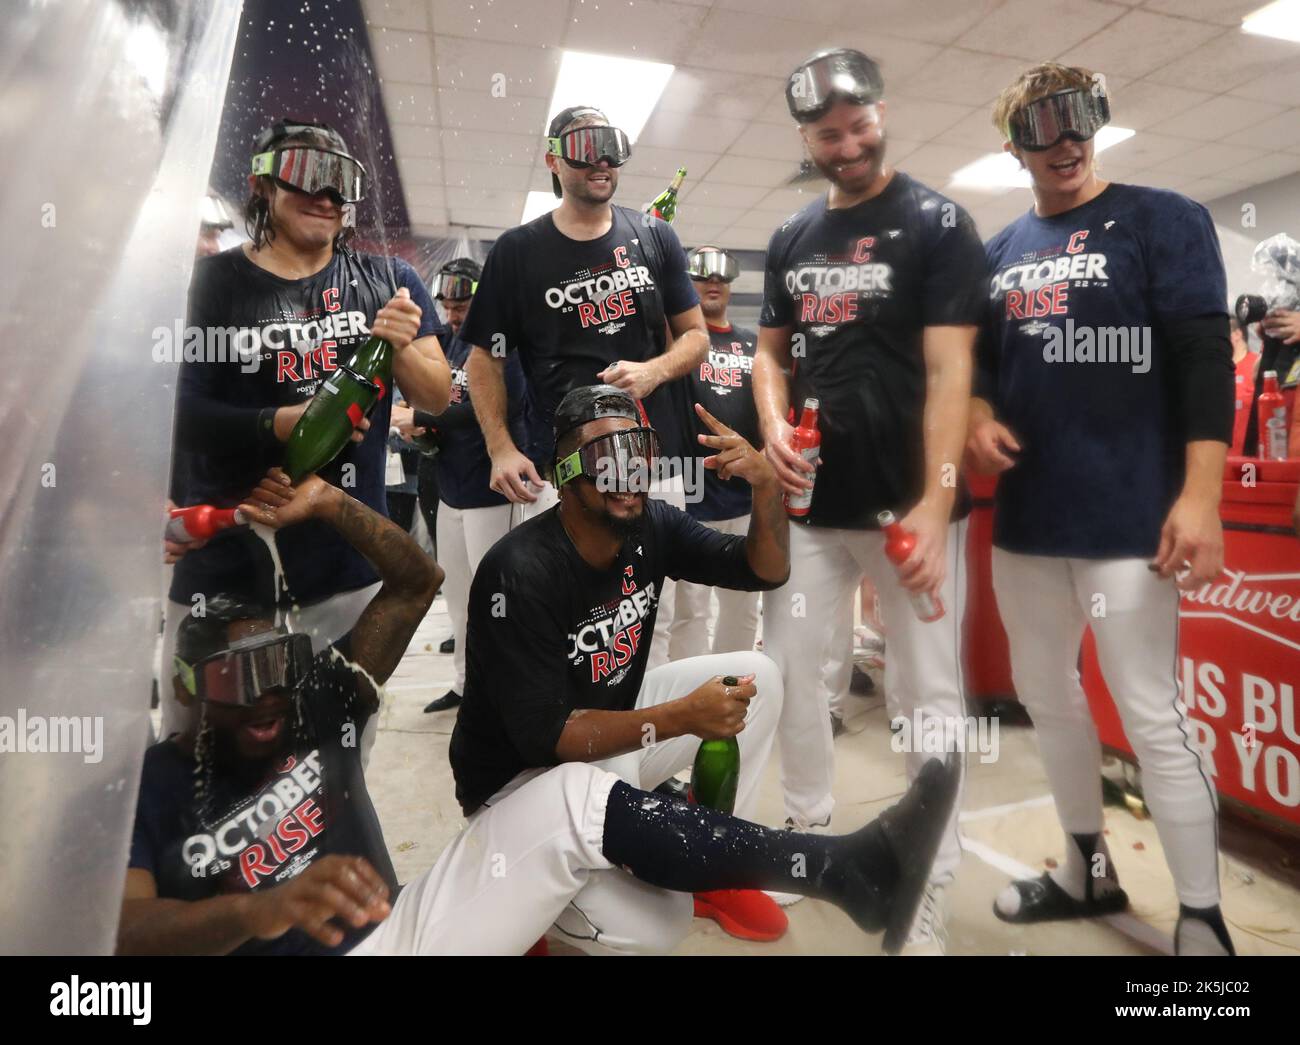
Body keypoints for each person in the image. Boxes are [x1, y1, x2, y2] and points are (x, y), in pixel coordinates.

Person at [120, 467, 961, 956]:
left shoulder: (314, 709)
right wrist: (259, 908)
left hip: (405, 918)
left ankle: (818, 869)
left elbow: (415, 577)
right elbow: (118, 931)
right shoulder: (151, 788)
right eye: (234, 678)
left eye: (275, 663)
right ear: (186, 689)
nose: (264, 690)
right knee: (644, 913)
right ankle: (816, 867)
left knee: (604, 784)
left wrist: (329, 501)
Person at [969, 62, 1236, 956]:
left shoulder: (1165, 219)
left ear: (1097, 124)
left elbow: (1203, 363)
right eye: (1041, 129)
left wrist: (1202, 497)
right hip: (1030, 522)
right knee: (1050, 696)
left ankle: (1202, 915)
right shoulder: (1000, 252)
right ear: (1016, 147)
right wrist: (971, 414)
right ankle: (1086, 870)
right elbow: (975, 372)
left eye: (1079, 120)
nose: (1066, 142)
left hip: (1131, 518)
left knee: (1150, 712)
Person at [751, 48, 986, 954]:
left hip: (904, 508)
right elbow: (771, 352)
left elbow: (950, 366)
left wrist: (934, 503)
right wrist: (771, 420)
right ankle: (810, 840)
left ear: (881, 115)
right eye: (826, 134)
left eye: (857, 127)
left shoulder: (937, 222)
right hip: (811, 504)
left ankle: (928, 870)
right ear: (806, 138)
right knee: (793, 672)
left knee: (926, 693)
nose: (845, 145)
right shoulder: (791, 236)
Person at [451, 385, 791, 946]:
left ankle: (712, 859)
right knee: (656, 928)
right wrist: (683, 716)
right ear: (564, 471)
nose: (626, 472)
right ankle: (515, 898)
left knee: (761, 677)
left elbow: (764, 570)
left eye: (638, 451)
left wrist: (766, 486)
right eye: (605, 458)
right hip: (519, 783)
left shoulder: (651, 526)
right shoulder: (518, 572)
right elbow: (546, 737)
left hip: (606, 740)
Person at [163, 119, 451, 742]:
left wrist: (396, 346)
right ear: (262, 185)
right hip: (225, 570)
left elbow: (439, 396)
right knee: (201, 763)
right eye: (304, 176)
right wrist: (279, 423)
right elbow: (176, 414)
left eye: (340, 182)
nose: (325, 195)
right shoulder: (210, 284)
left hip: (344, 570)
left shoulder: (389, 280)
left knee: (335, 761)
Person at [461, 105, 710, 669]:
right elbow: (484, 359)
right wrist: (500, 448)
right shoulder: (517, 252)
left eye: (611, 146)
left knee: (653, 614)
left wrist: (654, 371)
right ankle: (569, 743)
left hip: (652, 466)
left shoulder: (654, 236)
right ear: (553, 158)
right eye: (583, 146)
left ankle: (649, 739)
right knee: (566, 612)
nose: (600, 159)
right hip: (565, 470)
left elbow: (695, 338)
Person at [416, 258, 528, 715]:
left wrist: (422, 417)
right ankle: (465, 684)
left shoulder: (504, 344)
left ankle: (501, 693)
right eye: (448, 305)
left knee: (495, 603)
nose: (454, 314)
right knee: (458, 597)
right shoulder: (443, 344)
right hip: (449, 488)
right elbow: (426, 392)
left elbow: (502, 404)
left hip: (491, 492)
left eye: (462, 305)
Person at [669, 246, 763, 660]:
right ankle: (689, 697)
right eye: (702, 277)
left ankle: (730, 686)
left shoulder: (753, 344)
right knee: (690, 609)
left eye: (721, 279)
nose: (713, 284)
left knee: (743, 603)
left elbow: (768, 410)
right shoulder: (675, 343)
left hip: (743, 491)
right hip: (689, 492)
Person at [1229, 317, 1259, 456]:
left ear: (1237, 334)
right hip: (1222, 458)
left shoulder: (1258, 364)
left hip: (1251, 457)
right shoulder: (1218, 370)